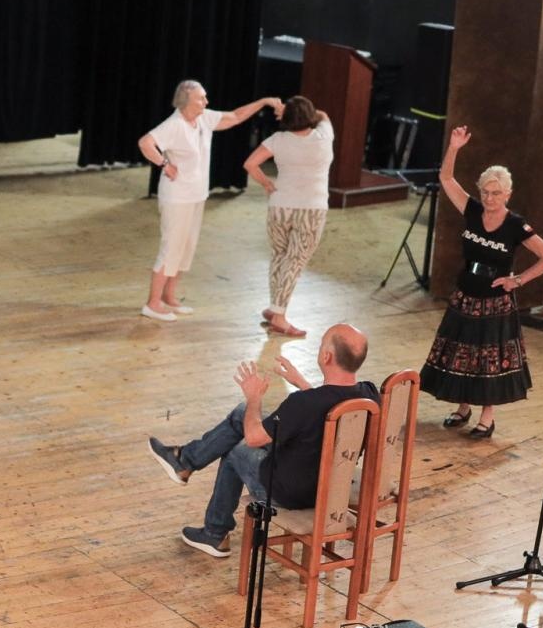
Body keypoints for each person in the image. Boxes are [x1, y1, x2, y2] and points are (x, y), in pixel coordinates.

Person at [147, 323, 377, 557]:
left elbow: (254, 438)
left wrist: (254, 397)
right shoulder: (369, 395)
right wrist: (304, 385)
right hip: (330, 485)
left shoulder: (303, 404)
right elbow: (327, 410)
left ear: (326, 356)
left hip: (291, 493)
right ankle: (184, 461)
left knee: (236, 449)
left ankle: (215, 533)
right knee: (241, 414)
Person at [420, 126, 543, 438]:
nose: (489, 198)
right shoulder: (472, 210)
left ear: (508, 194)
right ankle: (463, 407)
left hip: (494, 301)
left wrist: (518, 280)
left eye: (496, 193)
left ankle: (487, 417)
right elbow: (446, 179)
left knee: (487, 359)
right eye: (485, 192)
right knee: (461, 352)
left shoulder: (516, 225)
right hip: (466, 293)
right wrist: (454, 147)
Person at [136, 81, 283, 322]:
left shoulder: (203, 118)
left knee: (186, 248)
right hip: (177, 198)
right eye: (201, 98)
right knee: (171, 249)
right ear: (186, 101)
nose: (206, 102)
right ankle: (152, 304)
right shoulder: (174, 125)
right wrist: (164, 164)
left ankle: (169, 298)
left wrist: (264, 102)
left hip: (196, 195)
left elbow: (235, 116)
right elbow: (145, 143)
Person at [242, 95, 333, 337]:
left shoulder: (278, 140)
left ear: (287, 119)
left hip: (280, 206)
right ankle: (280, 317)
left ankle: (274, 308)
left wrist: (266, 184)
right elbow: (323, 115)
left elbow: (250, 164)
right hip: (312, 208)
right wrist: (292, 110)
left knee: (279, 256)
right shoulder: (323, 136)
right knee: (295, 261)